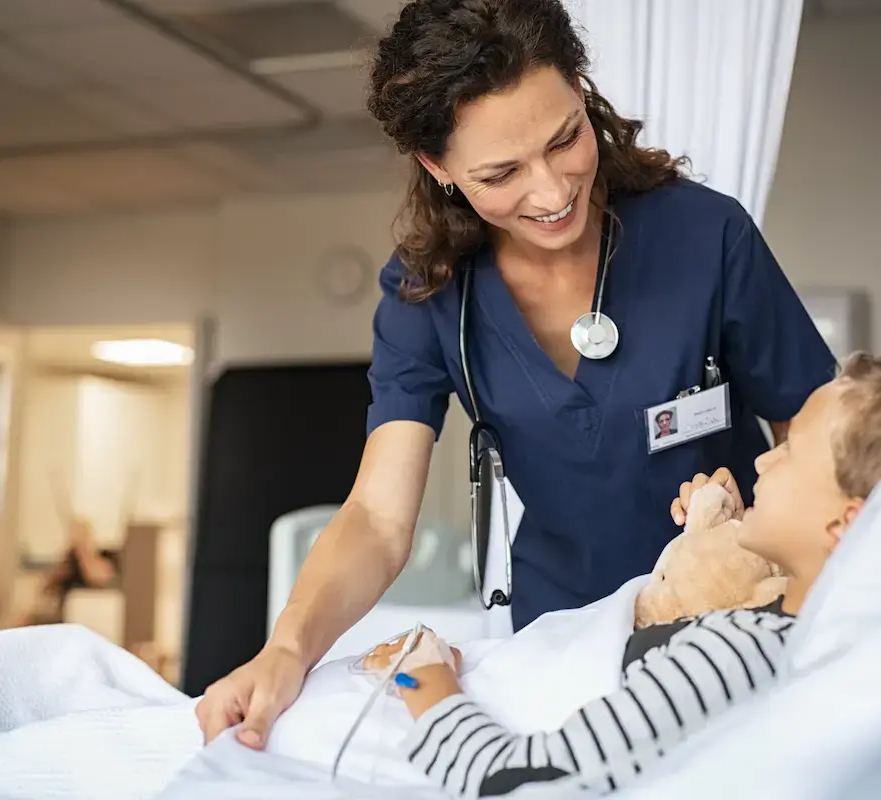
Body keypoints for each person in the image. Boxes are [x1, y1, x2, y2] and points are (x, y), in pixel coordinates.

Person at [195, 0, 834, 747]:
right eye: (501, 173)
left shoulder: (705, 235)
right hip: (562, 640)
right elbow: (376, 518)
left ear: (580, 87)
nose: (553, 191)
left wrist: (825, 589)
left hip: (735, 613)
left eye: (565, 138)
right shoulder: (428, 294)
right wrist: (287, 649)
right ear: (440, 168)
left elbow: (818, 432)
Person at [370, 353, 881, 798]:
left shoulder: (746, 651)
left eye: (790, 454)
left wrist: (419, 677)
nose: (761, 458)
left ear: (846, 524)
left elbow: (520, 783)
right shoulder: (789, 634)